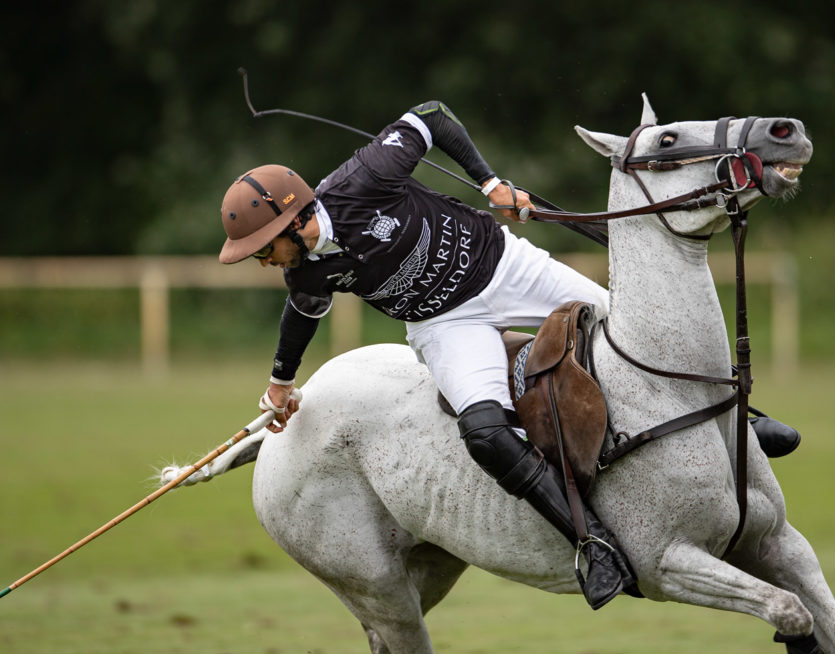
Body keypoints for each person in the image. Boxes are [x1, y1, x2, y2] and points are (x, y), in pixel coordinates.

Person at [218, 101, 798, 610]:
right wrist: (278, 386)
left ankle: (743, 421)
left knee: (641, 334)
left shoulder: (363, 179)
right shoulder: (306, 271)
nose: (260, 260)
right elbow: (303, 316)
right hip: (443, 324)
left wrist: (490, 182)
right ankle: (592, 543)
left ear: (292, 219)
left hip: (503, 267)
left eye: (261, 248)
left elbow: (432, 115)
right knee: (485, 432)